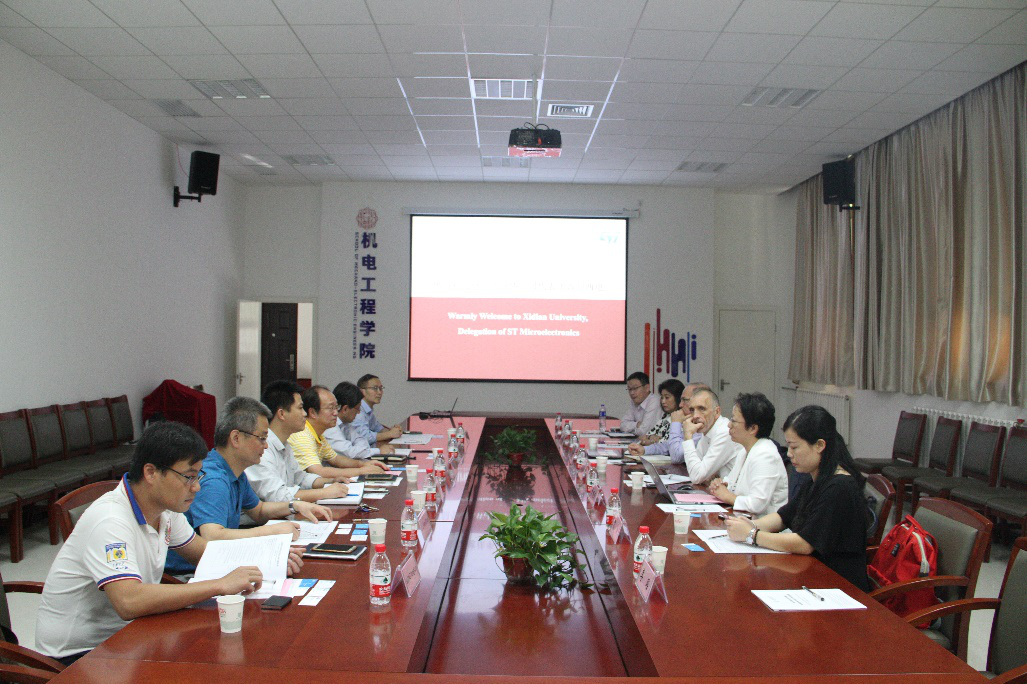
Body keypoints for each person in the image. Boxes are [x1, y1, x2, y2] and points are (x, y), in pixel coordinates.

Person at [35, 422, 269, 664]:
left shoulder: (165, 510)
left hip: (131, 635)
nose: (196, 487)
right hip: (79, 654)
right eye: (188, 477)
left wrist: (265, 560)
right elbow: (129, 601)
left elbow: (203, 553)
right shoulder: (110, 520)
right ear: (150, 473)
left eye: (198, 476)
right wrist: (219, 585)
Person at [165, 397, 332, 575]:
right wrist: (271, 531)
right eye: (262, 438)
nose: (266, 446)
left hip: (220, 561)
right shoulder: (213, 479)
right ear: (236, 438)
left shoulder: (234, 471)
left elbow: (258, 510)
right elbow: (213, 535)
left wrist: (294, 506)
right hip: (191, 573)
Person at [725, 405, 871, 591]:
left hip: (838, 585)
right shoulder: (817, 477)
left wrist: (752, 535)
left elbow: (805, 544)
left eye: (794, 447)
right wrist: (747, 525)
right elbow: (784, 516)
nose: (789, 454)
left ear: (819, 445)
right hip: (813, 574)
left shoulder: (840, 487)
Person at [245, 380, 351, 504]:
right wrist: (325, 492)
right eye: (300, 408)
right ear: (282, 414)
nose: (305, 414)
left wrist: (330, 481)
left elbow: (301, 478)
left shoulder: (285, 443)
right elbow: (278, 496)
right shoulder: (261, 449)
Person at [708, 392, 788, 516]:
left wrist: (726, 495)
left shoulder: (766, 455)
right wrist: (721, 484)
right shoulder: (745, 450)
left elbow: (757, 504)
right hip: (743, 519)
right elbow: (732, 484)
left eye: (734, 421)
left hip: (763, 525)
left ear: (752, 428)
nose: (729, 425)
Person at [290, 385, 388, 479]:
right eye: (331, 408)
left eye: (336, 407)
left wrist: (363, 464)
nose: (336, 412)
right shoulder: (302, 435)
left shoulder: (318, 433)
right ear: (313, 412)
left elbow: (335, 459)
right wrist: (360, 471)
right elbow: (319, 471)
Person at [324, 382, 397, 461]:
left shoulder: (346, 424)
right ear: (345, 409)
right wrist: (379, 451)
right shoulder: (330, 427)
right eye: (357, 409)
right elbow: (349, 452)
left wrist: (361, 451)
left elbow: (361, 440)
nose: (358, 413)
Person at [351, 373, 403, 445]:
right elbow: (363, 437)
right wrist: (390, 434)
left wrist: (394, 430)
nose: (379, 392)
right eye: (375, 388)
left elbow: (379, 429)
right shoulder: (357, 411)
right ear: (362, 391)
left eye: (381, 388)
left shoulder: (368, 410)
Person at [638, 378, 685, 446]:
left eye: (667, 397)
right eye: (662, 397)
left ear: (678, 397)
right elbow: (644, 436)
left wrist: (651, 441)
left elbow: (667, 444)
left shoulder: (682, 419)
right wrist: (652, 438)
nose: (663, 401)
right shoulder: (666, 416)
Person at [620, 372, 661, 437]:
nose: (632, 393)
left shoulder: (654, 402)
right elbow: (622, 425)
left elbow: (644, 432)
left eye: (635, 388)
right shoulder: (634, 401)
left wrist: (631, 428)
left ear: (647, 388)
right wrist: (637, 424)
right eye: (629, 389)